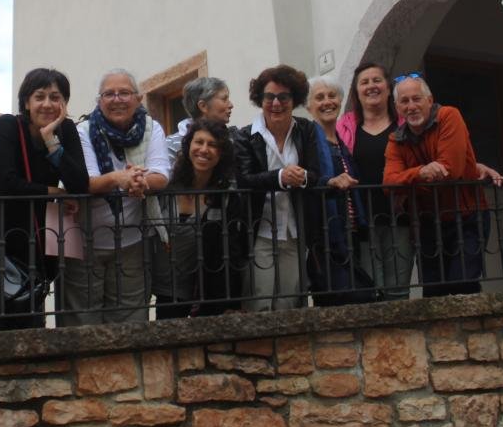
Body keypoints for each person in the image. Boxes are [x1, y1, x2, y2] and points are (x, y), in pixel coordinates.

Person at [0, 67, 90, 329]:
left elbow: (80, 184)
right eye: (39, 96)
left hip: (41, 238)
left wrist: (51, 142)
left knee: (32, 314)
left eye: (55, 97)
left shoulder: (65, 129)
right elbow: (5, 183)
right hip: (3, 234)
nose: (47, 104)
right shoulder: (9, 125)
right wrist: (53, 192)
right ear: (27, 102)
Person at [383, 73, 503, 297]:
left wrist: (411, 184)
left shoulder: (449, 116)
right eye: (404, 101)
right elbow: (389, 183)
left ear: (429, 101)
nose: (411, 106)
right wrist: (422, 172)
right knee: (433, 293)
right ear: (397, 107)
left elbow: (450, 170)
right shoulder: (396, 140)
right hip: (428, 222)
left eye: (416, 99)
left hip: (467, 215)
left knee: (463, 285)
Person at [63, 69, 169, 325]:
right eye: (109, 93)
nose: (117, 99)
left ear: (138, 98)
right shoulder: (83, 130)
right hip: (86, 240)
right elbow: (87, 181)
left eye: (124, 92)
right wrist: (119, 179)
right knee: (82, 322)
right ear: (99, 101)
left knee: (130, 320)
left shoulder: (151, 128)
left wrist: (138, 180)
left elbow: (161, 174)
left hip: (132, 241)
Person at [233, 65, 325, 312]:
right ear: (260, 100)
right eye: (269, 97)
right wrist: (281, 177)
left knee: (288, 303)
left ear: (293, 100)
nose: (276, 103)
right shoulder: (245, 136)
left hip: (295, 231)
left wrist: (302, 176)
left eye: (283, 97)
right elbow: (245, 179)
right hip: (260, 231)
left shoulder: (306, 130)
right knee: (260, 303)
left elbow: (316, 173)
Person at [336, 62, 410, 299]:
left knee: (398, 291)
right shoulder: (345, 126)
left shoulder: (405, 124)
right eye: (364, 82)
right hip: (363, 219)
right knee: (370, 291)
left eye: (377, 80)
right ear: (357, 92)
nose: (371, 86)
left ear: (389, 88)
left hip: (402, 217)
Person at [161, 118, 242, 317]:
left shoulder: (225, 197)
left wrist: (234, 301)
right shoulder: (167, 187)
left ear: (221, 154)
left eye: (213, 145)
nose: (204, 149)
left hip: (207, 291)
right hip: (164, 287)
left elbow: (232, 250)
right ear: (189, 145)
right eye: (199, 142)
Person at [305, 75, 372, 304]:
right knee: (339, 298)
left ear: (341, 100)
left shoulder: (342, 144)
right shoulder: (308, 142)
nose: (327, 102)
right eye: (320, 97)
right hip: (325, 236)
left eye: (332, 96)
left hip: (351, 231)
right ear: (309, 106)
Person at [164, 76, 235, 166]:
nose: (231, 105)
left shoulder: (233, 140)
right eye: (224, 99)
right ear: (203, 106)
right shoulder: (171, 145)